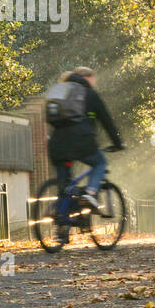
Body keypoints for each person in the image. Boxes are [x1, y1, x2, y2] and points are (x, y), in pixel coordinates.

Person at [47, 67, 123, 216]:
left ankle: (61, 222)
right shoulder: (89, 94)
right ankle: (90, 193)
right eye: (92, 77)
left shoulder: (61, 92)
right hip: (80, 142)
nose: (94, 81)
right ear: (85, 77)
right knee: (100, 162)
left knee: (65, 185)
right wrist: (117, 143)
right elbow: (107, 121)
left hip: (57, 144)